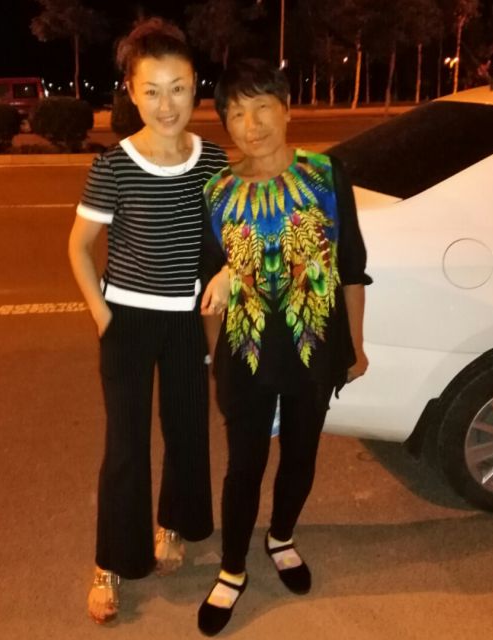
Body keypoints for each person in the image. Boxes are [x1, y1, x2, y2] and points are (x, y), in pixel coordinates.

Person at [197, 59, 371, 636]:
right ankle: (232, 568)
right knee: (243, 465)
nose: (252, 125)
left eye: (262, 108)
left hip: (314, 346)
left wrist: (356, 345)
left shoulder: (326, 174)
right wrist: (215, 357)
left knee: (301, 454)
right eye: (236, 114)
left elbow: (352, 265)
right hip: (245, 351)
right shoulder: (217, 191)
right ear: (225, 122)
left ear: (288, 109)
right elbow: (208, 287)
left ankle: (281, 537)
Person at [68, 17, 228, 624]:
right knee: (126, 446)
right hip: (129, 323)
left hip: (187, 322)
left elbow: (227, 238)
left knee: (187, 432)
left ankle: (174, 526)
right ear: (131, 93)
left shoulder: (213, 161)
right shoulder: (115, 166)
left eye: (178, 88)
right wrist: (103, 315)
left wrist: (227, 273)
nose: (167, 104)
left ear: (195, 86)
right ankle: (110, 562)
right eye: (152, 90)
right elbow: (79, 247)